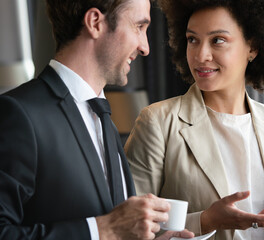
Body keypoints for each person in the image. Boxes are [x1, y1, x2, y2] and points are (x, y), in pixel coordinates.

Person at [124, 0, 264, 239]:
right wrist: (205, 220)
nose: (201, 55)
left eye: (217, 40)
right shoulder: (157, 123)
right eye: (192, 39)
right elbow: (128, 225)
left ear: (252, 47)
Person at [0, 0, 195, 239]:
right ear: (95, 22)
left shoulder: (103, 120)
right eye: (139, 26)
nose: (145, 47)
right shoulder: (18, 113)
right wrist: (105, 229)